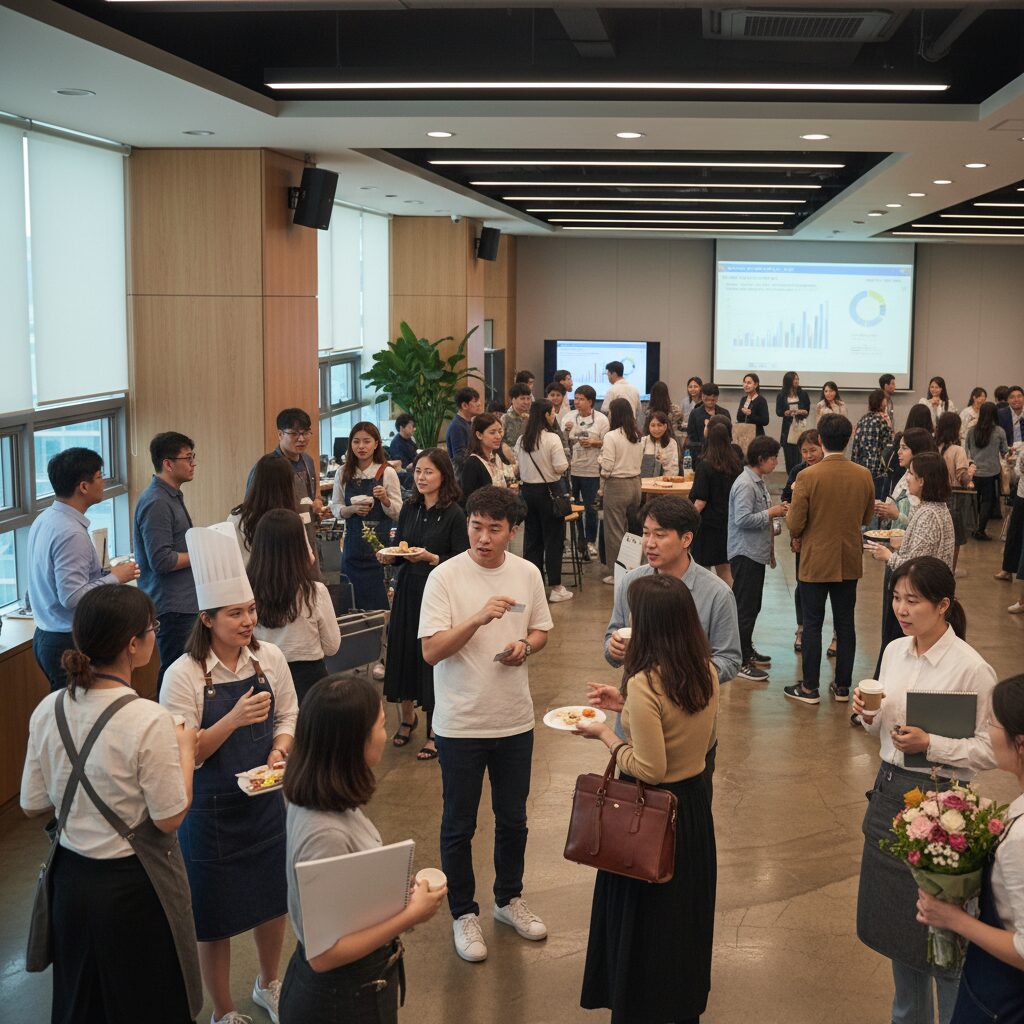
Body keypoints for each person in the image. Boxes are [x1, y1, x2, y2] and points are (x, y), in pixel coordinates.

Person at [20, 585, 202, 1024]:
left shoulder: (49, 709)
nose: (155, 636)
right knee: (147, 1004)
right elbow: (169, 816)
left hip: (70, 883)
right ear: (133, 645)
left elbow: (33, 803)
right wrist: (186, 751)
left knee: (82, 1004)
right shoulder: (148, 719)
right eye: (152, 629)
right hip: (134, 890)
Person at [161, 523, 299, 1024]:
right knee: (213, 918)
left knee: (271, 899)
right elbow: (185, 752)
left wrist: (281, 752)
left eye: (251, 611)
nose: (248, 622)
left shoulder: (269, 658)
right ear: (207, 618)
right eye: (236, 613)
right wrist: (233, 719)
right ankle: (223, 1010)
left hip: (264, 800)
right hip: (210, 811)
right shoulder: (183, 675)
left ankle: (269, 982)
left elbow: (289, 716)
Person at [853, 557, 997, 1024]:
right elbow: (880, 725)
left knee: (943, 944)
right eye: (897, 598)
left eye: (913, 600)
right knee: (901, 934)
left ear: (944, 605)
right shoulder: (895, 651)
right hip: (888, 792)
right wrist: (867, 716)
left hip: (942, 810)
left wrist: (931, 743)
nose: (901, 608)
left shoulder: (972, 669)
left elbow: (990, 752)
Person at [419, 486, 554, 963]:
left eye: (494, 528)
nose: (483, 536)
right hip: (459, 723)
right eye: (476, 525)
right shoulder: (445, 577)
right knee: (459, 824)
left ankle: (508, 899)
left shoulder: (528, 573)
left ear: (512, 531)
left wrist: (527, 648)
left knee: (513, 818)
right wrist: (477, 618)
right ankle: (463, 913)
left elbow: (540, 629)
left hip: (514, 718)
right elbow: (431, 651)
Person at [576, 574, 718, 1024]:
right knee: (682, 924)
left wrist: (605, 734)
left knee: (645, 930)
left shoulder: (645, 682)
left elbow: (650, 767)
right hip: (693, 809)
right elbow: (683, 727)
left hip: (652, 817)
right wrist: (625, 706)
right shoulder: (703, 670)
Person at [278, 675, 448, 1023]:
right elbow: (323, 954)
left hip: (356, 987)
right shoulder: (323, 832)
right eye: (381, 725)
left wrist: (391, 888)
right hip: (340, 1000)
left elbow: (343, 888)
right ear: (354, 742)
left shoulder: (323, 792)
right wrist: (410, 915)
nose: (385, 736)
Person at [915, 673, 1024, 1023]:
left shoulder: (1021, 841)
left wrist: (953, 919)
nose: (987, 731)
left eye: (992, 723)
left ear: (1020, 743)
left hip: (1004, 998)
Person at [27, 448, 140, 691]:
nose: (104, 482)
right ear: (83, 487)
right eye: (100, 477)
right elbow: (71, 597)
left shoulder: (46, 518)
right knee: (77, 719)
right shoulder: (70, 533)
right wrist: (115, 578)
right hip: (66, 640)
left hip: (47, 634)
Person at [381, 449, 469, 761]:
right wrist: (389, 556)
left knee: (430, 660)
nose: (421, 477)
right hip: (408, 589)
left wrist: (431, 558)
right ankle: (407, 718)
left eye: (428, 472)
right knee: (402, 652)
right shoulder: (410, 508)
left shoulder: (455, 514)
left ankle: (435, 729)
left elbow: (462, 561)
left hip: (436, 592)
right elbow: (402, 546)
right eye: (418, 471)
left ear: (444, 475)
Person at [604, 496, 741, 688]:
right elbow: (613, 636)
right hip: (634, 707)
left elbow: (730, 660)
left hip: (686, 708)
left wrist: (682, 676)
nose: (649, 543)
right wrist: (613, 648)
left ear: (686, 539)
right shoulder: (631, 582)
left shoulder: (717, 594)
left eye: (660, 535)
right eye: (646, 533)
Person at [785, 413, 875, 705]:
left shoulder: (807, 476)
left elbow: (795, 524)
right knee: (845, 623)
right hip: (848, 558)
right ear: (848, 440)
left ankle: (809, 688)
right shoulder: (863, 474)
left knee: (812, 623)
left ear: (820, 441)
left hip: (815, 560)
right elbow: (866, 516)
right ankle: (843, 687)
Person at [865, 452, 955, 675]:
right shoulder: (931, 508)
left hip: (922, 596)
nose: (907, 479)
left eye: (912, 474)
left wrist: (887, 555)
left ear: (923, 480)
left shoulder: (929, 514)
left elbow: (917, 567)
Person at [249, 509, 340, 705]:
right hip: (309, 684)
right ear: (299, 547)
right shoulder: (314, 592)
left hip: (261, 682)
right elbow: (332, 647)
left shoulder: (246, 594)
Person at [133, 431, 198, 694]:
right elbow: (161, 560)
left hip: (184, 602)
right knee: (175, 673)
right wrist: (202, 552)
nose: (193, 463)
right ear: (168, 463)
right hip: (172, 607)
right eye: (188, 457)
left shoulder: (170, 495)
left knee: (186, 672)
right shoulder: (157, 502)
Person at [728, 436, 788, 683]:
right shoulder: (745, 484)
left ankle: (747, 649)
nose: (776, 463)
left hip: (756, 553)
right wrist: (770, 513)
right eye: (773, 458)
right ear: (761, 459)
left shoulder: (758, 481)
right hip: (745, 553)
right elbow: (742, 520)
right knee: (745, 608)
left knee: (752, 606)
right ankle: (740, 660)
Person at [330, 421, 402, 611]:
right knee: (350, 606)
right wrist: (351, 510)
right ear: (350, 444)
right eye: (356, 442)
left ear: (376, 443)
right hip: (352, 549)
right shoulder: (342, 472)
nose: (361, 447)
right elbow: (336, 508)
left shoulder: (387, 472)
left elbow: (398, 512)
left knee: (379, 606)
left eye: (366, 441)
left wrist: (385, 500)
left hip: (379, 551)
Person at [515, 399, 574, 603]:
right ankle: (556, 587)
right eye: (552, 413)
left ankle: (533, 586)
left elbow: (518, 468)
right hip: (550, 492)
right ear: (547, 415)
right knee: (553, 540)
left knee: (532, 540)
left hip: (528, 492)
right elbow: (560, 467)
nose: (554, 415)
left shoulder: (523, 439)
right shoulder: (552, 439)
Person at [781, 429, 824, 653]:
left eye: (813, 450)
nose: (809, 455)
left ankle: (835, 634)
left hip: (826, 537)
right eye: (804, 451)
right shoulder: (798, 471)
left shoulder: (829, 471)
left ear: (823, 447)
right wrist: (794, 536)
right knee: (802, 585)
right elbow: (786, 500)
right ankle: (801, 628)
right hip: (803, 538)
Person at [229, 454, 311, 567]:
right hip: (288, 583)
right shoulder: (291, 519)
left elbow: (229, 562)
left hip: (247, 582)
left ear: (255, 480)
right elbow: (307, 559)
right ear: (287, 485)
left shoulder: (237, 518)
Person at [690, 422, 743, 586]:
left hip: (707, 526)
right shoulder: (736, 464)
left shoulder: (705, 466)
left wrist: (686, 520)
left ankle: (705, 609)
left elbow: (700, 502)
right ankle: (730, 607)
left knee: (702, 571)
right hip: (728, 523)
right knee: (725, 570)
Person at [246, 408, 324, 519]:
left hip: (305, 529)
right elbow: (252, 508)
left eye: (305, 433)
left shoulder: (308, 460)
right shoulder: (267, 467)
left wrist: (317, 502)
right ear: (280, 434)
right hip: (278, 528)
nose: (301, 439)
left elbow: (313, 495)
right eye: (294, 433)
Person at [599, 397, 644, 585]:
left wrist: (600, 463)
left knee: (615, 530)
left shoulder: (611, 436)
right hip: (635, 484)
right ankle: (635, 566)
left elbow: (608, 466)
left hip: (617, 485)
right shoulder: (637, 434)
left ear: (615, 414)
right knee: (632, 530)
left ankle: (618, 572)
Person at [566, 384, 609, 559]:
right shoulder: (569, 417)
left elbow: (607, 443)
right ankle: (578, 541)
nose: (577, 402)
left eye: (581, 399)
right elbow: (562, 442)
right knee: (572, 508)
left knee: (591, 508)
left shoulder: (601, 420)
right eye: (575, 398)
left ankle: (591, 541)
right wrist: (567, 431)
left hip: (592, 470)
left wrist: (593, 442)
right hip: (573, 469)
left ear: (590, 401)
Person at [936, 411, 976, 575]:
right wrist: (971, 475)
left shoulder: (933, 446)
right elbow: (962, 475)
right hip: (954, 498)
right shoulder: (957, 450)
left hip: (935, 496)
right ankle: (948, 576)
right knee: (953, 542)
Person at [965, 401, 1008, 540]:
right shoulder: (999, 431)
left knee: (974, 500)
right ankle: (980, 530)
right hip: (991, 473)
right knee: (987, 501)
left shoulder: (971, 431)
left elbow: (968, 451)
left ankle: (973, 527)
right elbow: (1004, 452)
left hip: (974, 472)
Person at [460, 413, 513, 502]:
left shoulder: (496, 456)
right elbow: (469, 499)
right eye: (492, 432)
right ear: (479, 435)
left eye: (500, 431)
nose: (498, 436)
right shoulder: (473, 463)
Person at [852, 389, 895, 497]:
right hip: (877, 468)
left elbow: (855, 446)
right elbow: (889, 444)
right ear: (882, 402)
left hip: (860, 468)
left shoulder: (863, 419)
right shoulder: (882, 420)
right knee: (876, 503)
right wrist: (890, 426)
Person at [775, 370, 811, 472]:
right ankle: (790, 481)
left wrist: (802, 411)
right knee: (789, 457)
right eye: (795, 379)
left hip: (800, 427)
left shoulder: (803, 394)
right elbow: (778, 411)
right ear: (788, 380)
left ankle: (798, 480)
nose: (797, 381)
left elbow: (807, 410)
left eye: (797, 379)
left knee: (799, 456)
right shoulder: (781, 395)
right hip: (787, 428)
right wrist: (785, 412)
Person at [687, 381, 730, 462]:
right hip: (701, 455)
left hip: (722, 455)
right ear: (702, 397)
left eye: (713, 400)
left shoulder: (724, 413)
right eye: (707, 399)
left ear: (717, 398)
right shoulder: (695, 413)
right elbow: (692, 439)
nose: (710, 402)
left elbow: (729, 437)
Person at [445, 386, 483, 470]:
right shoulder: (457, 426)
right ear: (464, 405)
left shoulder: (469, 423)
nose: (479, 403)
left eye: (478, 400)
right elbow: (459, 459)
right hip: (463, 475)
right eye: (475, 401)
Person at [640, 411, 680, 477]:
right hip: (644, 484)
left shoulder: (671, 443)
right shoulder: (644, 441)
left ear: (665, 427)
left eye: (659, 425)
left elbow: (673, 470)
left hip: (665, 484)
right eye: (653, 425)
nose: (656, 429)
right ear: (649, 427)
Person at [736, 372, 770, 437]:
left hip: (756, 435)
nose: (746, 385)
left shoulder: (761, 400)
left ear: (756, 385)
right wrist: (742, 412)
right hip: (744, 434)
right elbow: (738, 418)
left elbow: (765, 421)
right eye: (744, 382)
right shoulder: (744, 399)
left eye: (749, 383)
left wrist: (750, 415)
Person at [388, 413, 418, 483]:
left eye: (413, 427)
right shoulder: (396, 444)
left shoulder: (410, 439)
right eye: (410, 427)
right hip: (406, 476)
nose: (413, 429)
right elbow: (403, 467)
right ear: (401, 428)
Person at [502, 382, 532, 449]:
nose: (526, 402)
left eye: (528, 398)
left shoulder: (533, 417)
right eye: (522, 398)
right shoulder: (505, 419)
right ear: (513, 400)